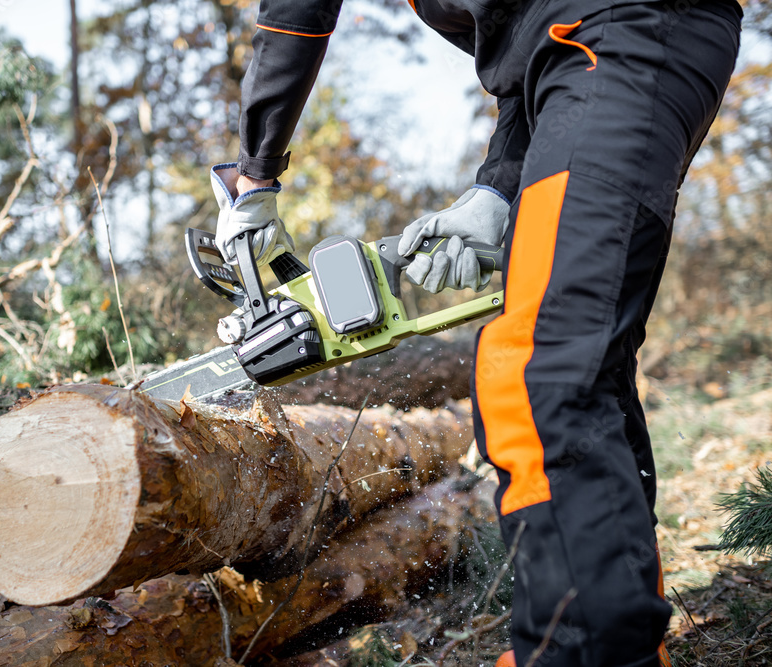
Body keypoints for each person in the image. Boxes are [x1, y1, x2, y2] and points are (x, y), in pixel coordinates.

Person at [210, 1, 742, 665]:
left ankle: (583, 649)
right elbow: (531, 53)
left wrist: (255, 171)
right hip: (587, 53)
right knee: (579, 358)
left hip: (627, 34)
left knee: (536, 366)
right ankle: (615, 635)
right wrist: (497, 187)